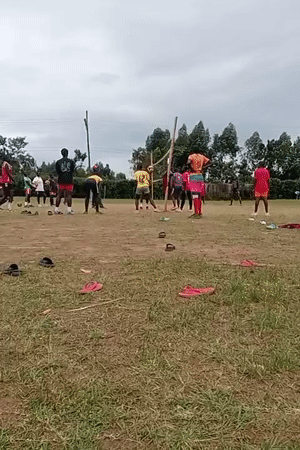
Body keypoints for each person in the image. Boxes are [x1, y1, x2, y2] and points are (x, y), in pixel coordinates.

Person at [187, 151, 210, 218]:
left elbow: (188, 162)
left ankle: (196, 212)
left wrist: (191, 168)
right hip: (200, 176)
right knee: (199, 195)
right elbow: (210, 162)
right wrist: (203, 168)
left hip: (193, 176)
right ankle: (199, 212)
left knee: (195, 195)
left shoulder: (191, 156)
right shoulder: (202, 157)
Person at [55, 148, 75, 215]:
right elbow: (72, 170)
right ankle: (69, 210)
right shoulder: (71, 161)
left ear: (61, 154)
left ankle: (56, 209)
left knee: (59, 195)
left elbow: (57, 171)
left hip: (61, 180)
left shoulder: (58, 162)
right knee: (69, 195)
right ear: (67, 153)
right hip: (69, 180)